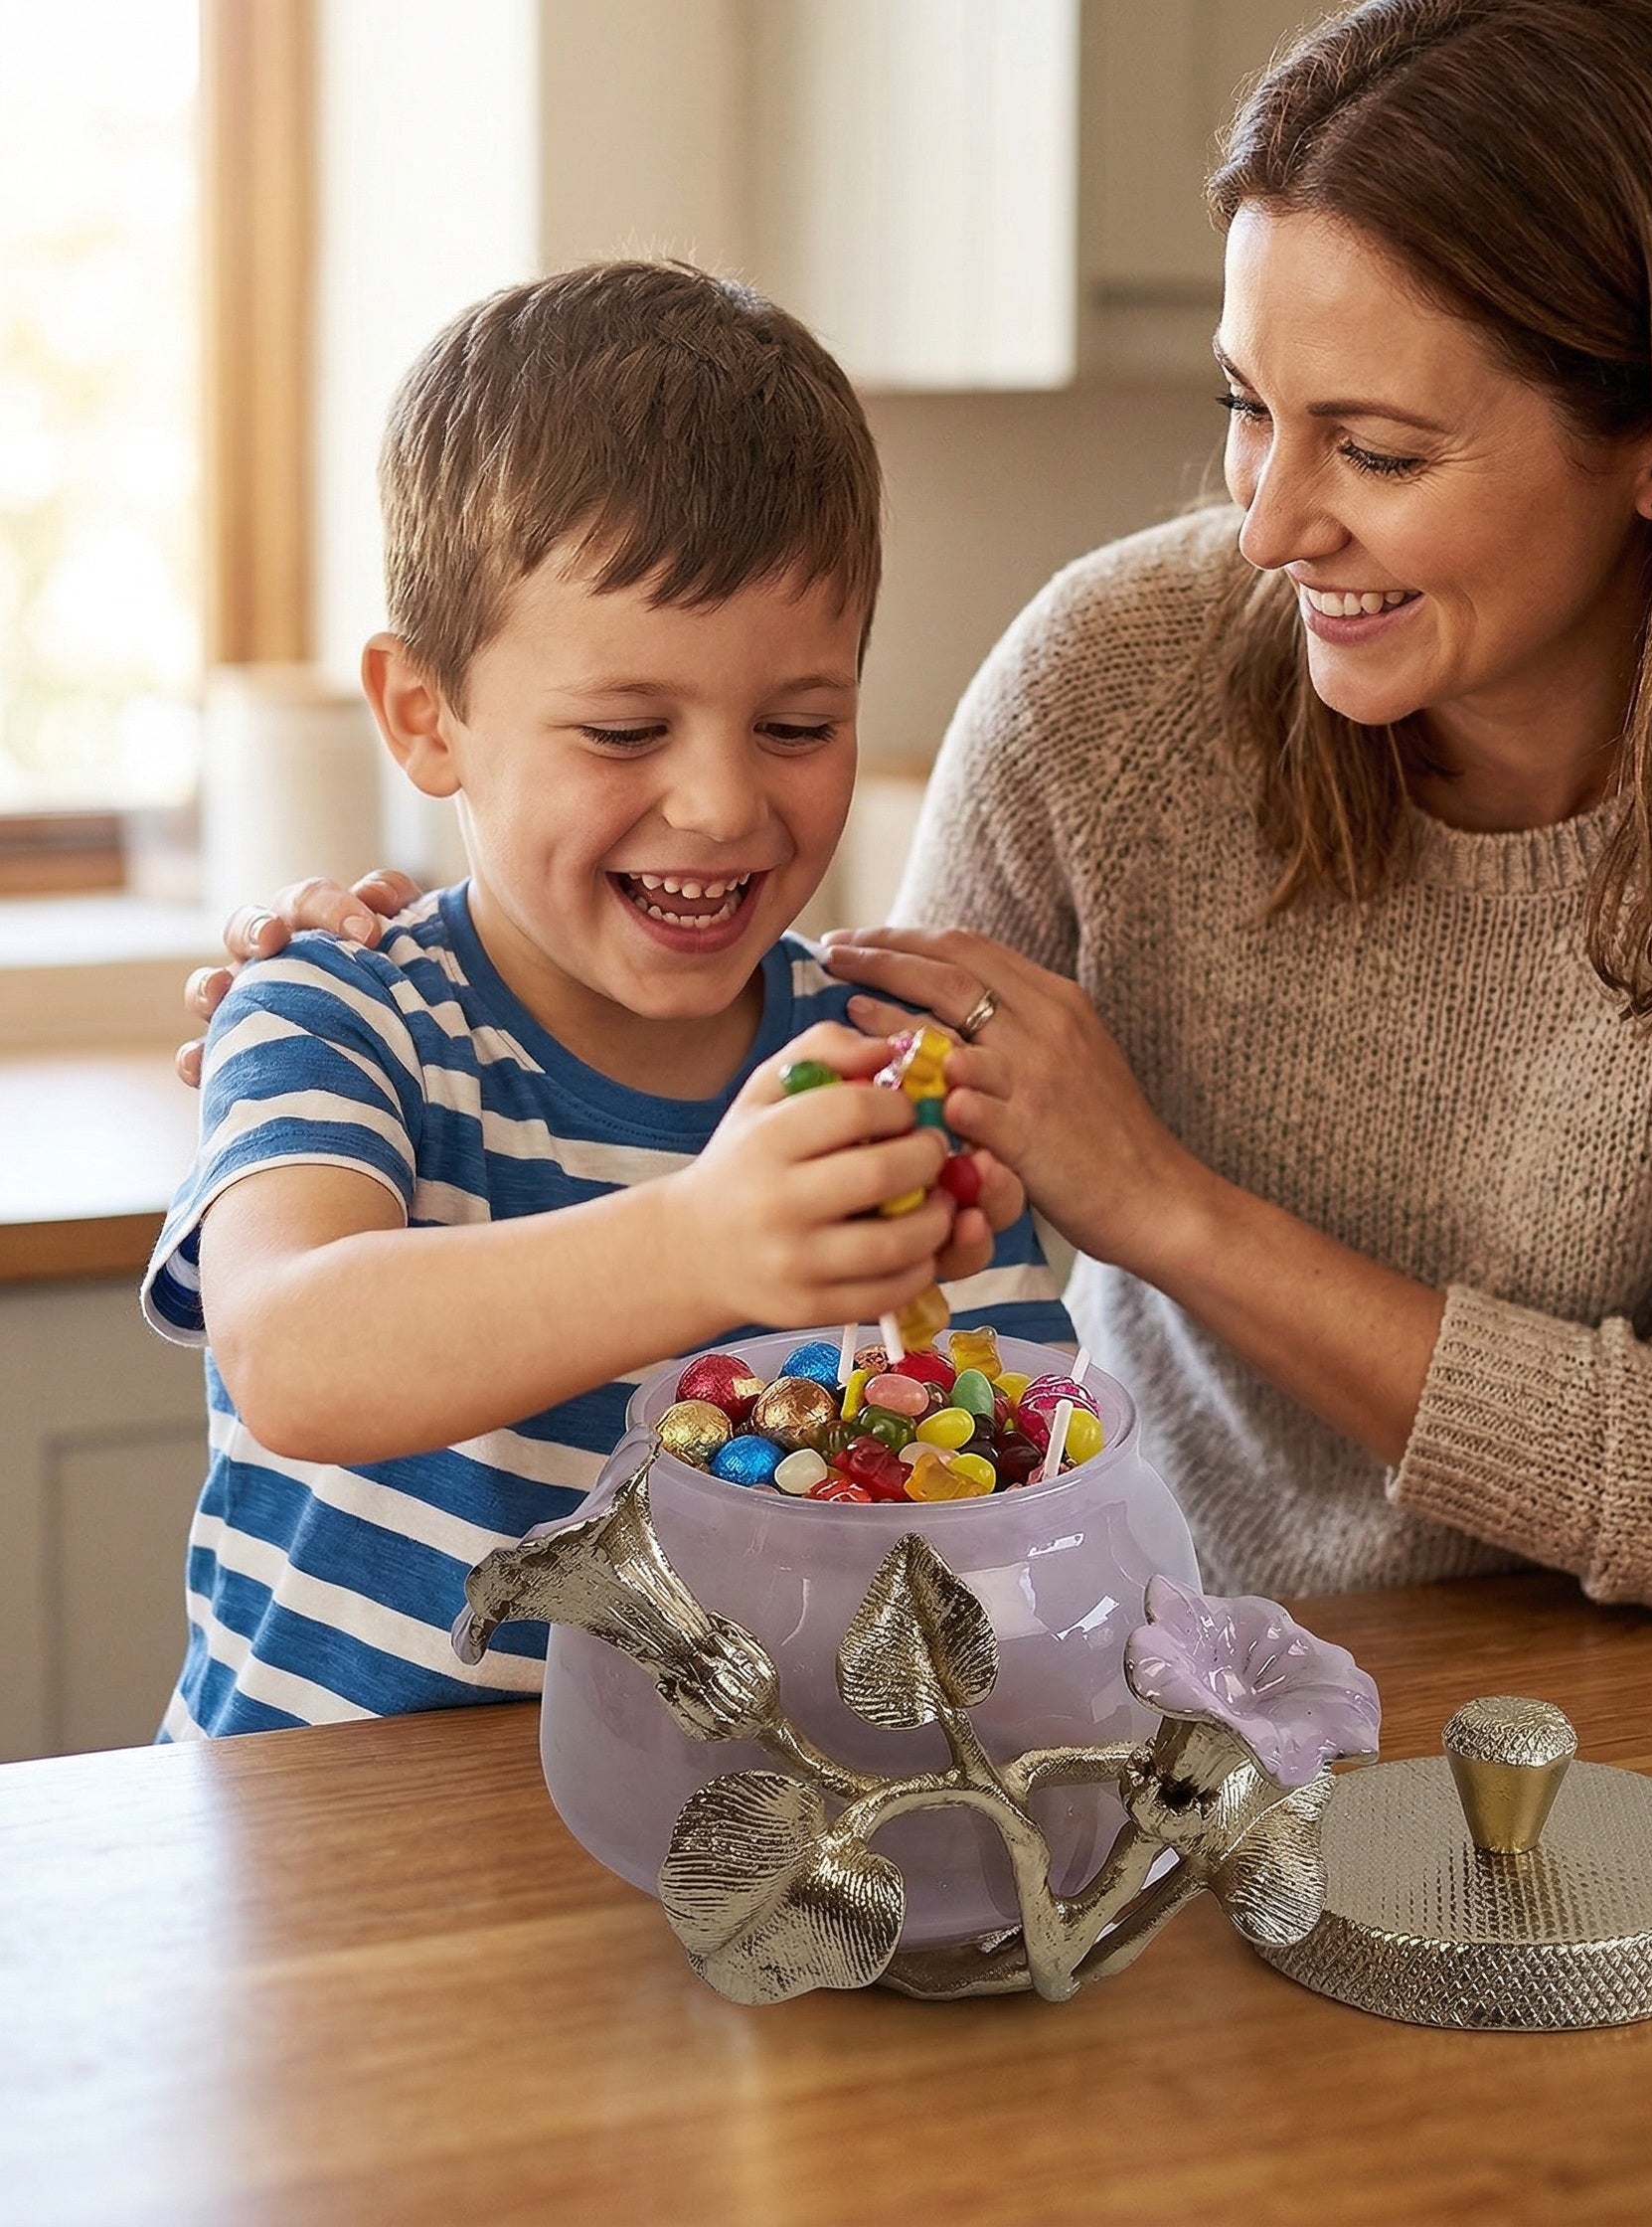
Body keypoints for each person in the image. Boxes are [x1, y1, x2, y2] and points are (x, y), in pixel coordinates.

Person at [188, 0, 1652, 1626]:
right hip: (1192, 1683)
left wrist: (1155, 1200)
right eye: (1245, 408)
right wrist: (376, 966)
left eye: (1371, 449)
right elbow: (339, 1326)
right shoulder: (1117, 683)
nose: (1265, 525)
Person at [145, 262, 1070, 1739]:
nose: (718, 802)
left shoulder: (884, 1080)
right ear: (424, 716)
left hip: (712, 1877)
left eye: (797, 724)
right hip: (325, 1903)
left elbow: (998, 1506)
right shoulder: (336, 1015)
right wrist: (703, 1242)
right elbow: (292, 1358)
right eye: (625, 728)